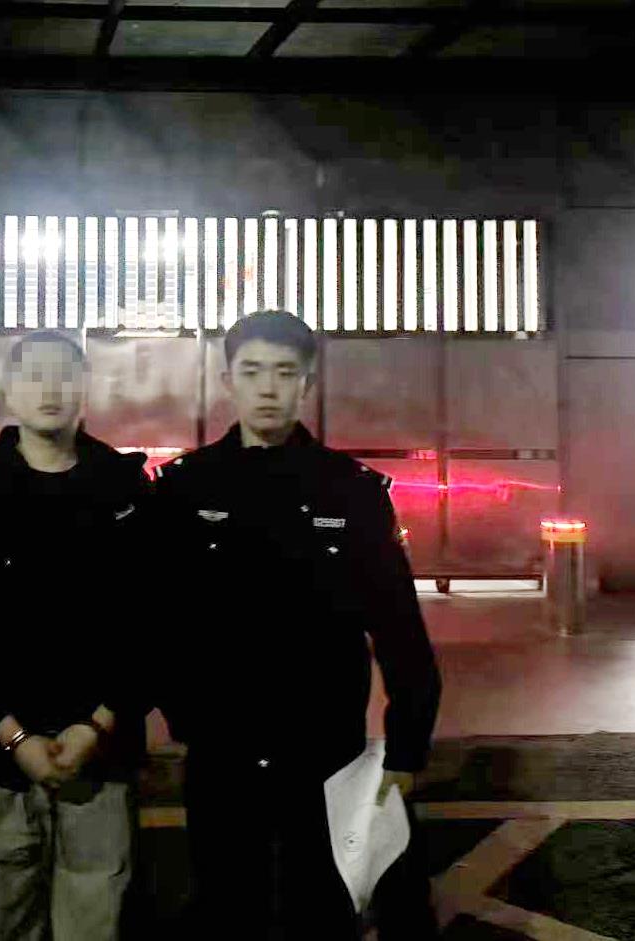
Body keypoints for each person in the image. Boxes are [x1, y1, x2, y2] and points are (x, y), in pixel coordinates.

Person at [153, 310, 442, 938]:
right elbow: (160, 617)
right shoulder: (184, 488)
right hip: (222, 745)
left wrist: (407, 745)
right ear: (227, 380)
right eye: (252, 371)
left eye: (285, 373)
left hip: (325, 747)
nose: (268, 388)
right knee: (227, 904)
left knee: (322, 907)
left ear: (306, 384)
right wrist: (185, 713)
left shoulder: (352, 492)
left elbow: (398, 627)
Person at [0, 330, 150, 940]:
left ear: (85, 388)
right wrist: (12, 735)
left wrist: (97, 723)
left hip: (100, 754)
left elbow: (153, 622)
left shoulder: (125, 490)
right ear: (10, 389)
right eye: (34, 374)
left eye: (64, 374)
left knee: (97, 919)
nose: (50, 388)